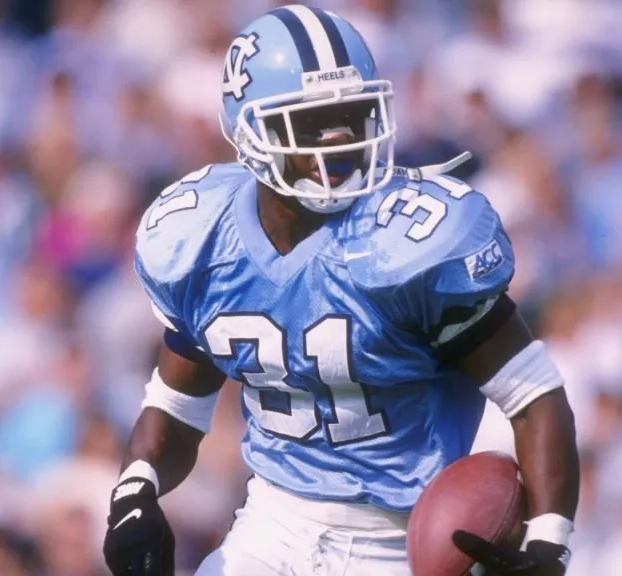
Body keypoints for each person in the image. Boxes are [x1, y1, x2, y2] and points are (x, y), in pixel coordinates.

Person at [100, 5, 579, 575]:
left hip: (403, 540)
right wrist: (135, 491)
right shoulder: (204, 239)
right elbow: (176, 405)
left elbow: (533, 394)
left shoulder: (410, 243)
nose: (337, 140)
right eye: (311, 123)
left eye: (350, 117)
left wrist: (548, 542)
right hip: (271, 525)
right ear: (251, 132)